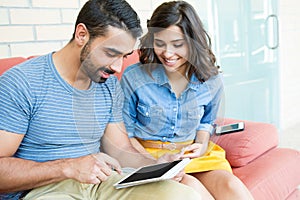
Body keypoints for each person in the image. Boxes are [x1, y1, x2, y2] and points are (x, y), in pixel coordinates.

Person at [0, 0, 202, 199]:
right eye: (111, 53)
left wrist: (157, 165)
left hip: (102, 184)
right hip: (45, 191)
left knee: (182, 195)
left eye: (124, 56)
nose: (118, 68)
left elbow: (121, 150)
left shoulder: (109, 85)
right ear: (82, 35)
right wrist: (69, 167)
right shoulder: (22, 83)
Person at [120, 1, 254, 200]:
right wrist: (155, 164)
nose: (167, 53)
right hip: (149, 157)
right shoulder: (134, 77)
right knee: (191, 187)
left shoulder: (211, 79)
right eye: (159, 43)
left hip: (191, 156)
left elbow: (206, 123)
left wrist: (200, 145)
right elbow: (124, 134)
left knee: (231, 186)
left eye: (177, 45)